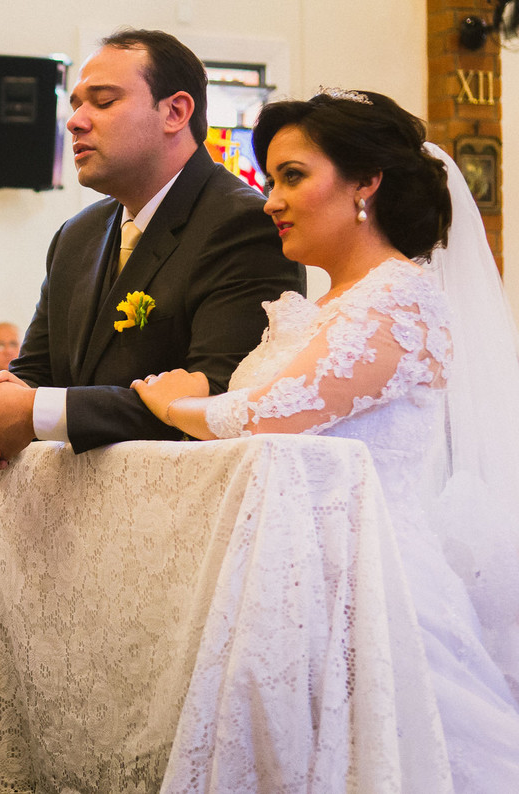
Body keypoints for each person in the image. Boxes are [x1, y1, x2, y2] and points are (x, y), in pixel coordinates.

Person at [132, 88, 519, 789]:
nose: (270, 200)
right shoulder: (324, 310)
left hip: (371, 582)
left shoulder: (401, 295)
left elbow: (271, 415)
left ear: (366, 181)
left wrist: (173, 403)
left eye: (293, 176)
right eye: (271, 179)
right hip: (289, 579)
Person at [0, 30, 305, 473]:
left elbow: (222, 397)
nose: (75, 121)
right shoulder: (77, 235)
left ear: (175, 111)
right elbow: (36, 371)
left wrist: (33, 412)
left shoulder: (243, 225)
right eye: (75, 105)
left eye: (104, 101)